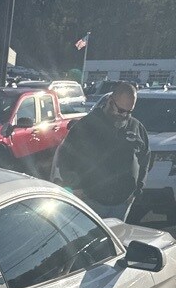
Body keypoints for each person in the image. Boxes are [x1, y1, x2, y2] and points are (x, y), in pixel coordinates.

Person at [54, 81, 149, 220]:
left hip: (122, 203)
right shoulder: (86, 126)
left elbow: (145, 158)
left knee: (114, 239)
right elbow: (65, 158)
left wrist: (137, 189)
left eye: (129, 111)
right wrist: (75, 187)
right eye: (121, 110)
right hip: (90, 200)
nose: (125, 115)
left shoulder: (136, 127)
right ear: (110, 102)